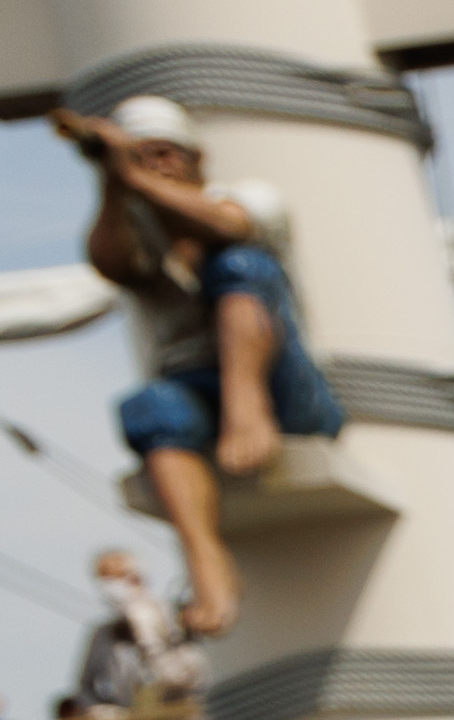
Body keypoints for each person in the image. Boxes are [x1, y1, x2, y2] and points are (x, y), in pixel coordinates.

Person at [60, 92, 347, 637]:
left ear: (198, 159)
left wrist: (133, 175)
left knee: (240, 264)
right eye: (143, 155)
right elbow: (109, 263)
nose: (157, 165)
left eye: (167, 153)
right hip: (193, 392)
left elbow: (228, 226)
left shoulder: (251, 198)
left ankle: (248, 404)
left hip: (281, 388)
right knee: (149, 406)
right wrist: (113, 182)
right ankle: (205, 558)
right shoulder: (138, 233)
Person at [67, 549, 202, 718]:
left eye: (115, 576)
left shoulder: (171, 617)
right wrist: (106, 711)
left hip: (181, 717)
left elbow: (190, 674)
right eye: (104, 579)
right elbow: (83, 686)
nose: (108, 586)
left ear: (136, 579)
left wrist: (146, 634)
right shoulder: (104, 634)